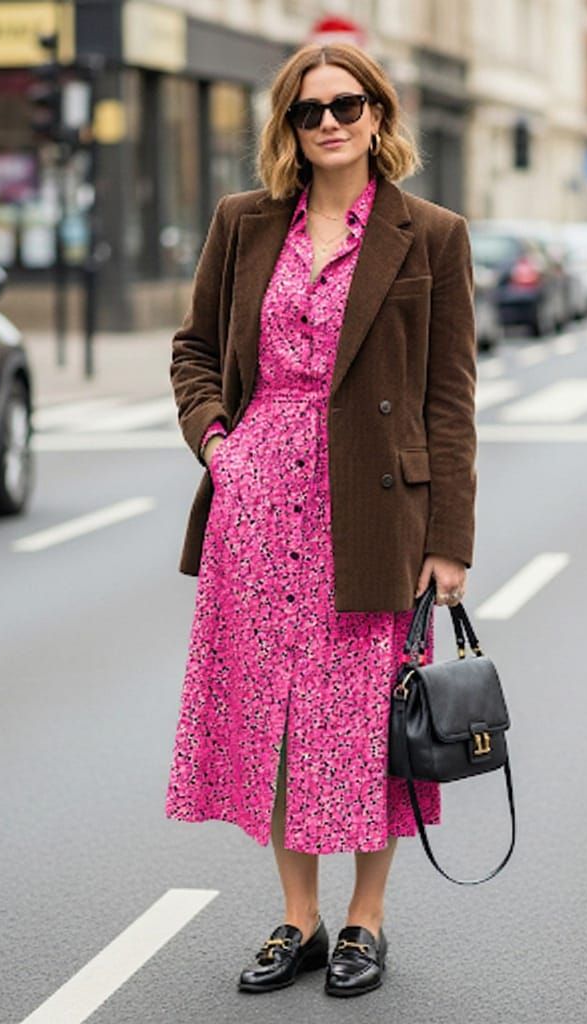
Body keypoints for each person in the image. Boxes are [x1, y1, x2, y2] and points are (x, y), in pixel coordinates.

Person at [165, 41, 477, 999]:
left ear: (378, 116)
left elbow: (449, 397)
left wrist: (449, 541)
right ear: (289, 128)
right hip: (258, 508)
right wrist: (219, 444)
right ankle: (297, 919)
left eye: (348, 105)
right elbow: (196, 351)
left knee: (363, 722)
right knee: (274, 720)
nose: (331, 121)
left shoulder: (430, 234)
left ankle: (363, 919)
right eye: (311, 110)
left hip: (373, 509)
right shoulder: (244, 223)